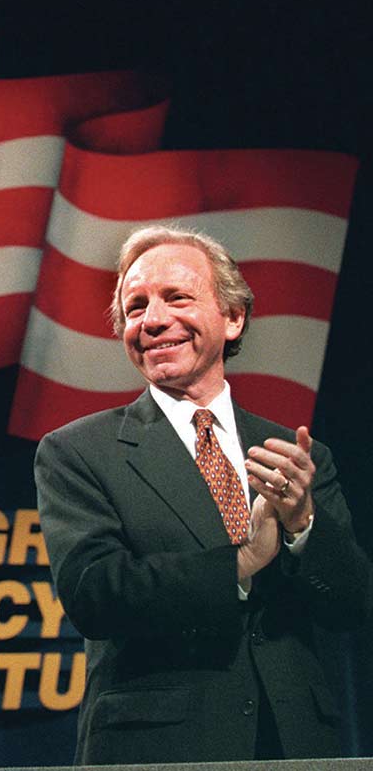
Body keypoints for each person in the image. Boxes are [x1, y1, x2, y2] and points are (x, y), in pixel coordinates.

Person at [34, 225, 372, 764]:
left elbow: (352, 605)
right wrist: (242, 561)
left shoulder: (296, 455)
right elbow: (96, 595)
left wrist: (304, 526)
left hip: (295, 745)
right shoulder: (79, 452)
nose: (154, 320)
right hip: (159, 747)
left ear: (233, 317)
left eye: (177, 298)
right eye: (136, 306)